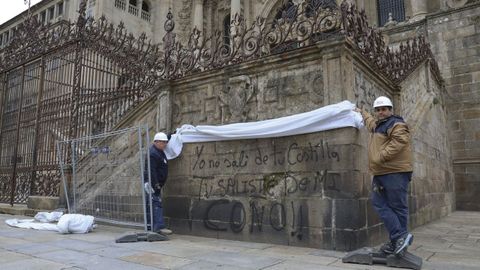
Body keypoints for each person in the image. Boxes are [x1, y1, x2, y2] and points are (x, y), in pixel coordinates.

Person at [355, 96, 413, 256]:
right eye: (378, 110)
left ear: (390, 110)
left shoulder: (397, 123)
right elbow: (369, 123)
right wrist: (362, 112)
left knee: (398, 207)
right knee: (378, 203)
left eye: (384, 109)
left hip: (395, 172)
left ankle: (398, 240)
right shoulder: (378, 125)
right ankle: (399, 240)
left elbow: (401, 141)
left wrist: (380, 156)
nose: (381, 112)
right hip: (382, 172)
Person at [144, 132, 172, 235]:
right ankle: (159, 227)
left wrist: (170, 135)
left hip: (156, 183)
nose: (165, 144)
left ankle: (150, 226)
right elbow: (152, 171)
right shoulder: (153, 154)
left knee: (151, 203)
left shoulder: (158, 151)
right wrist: (156, 184)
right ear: (156, 142)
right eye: (162, 142)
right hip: (152, 183)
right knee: (156, 203)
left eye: (166, 142)